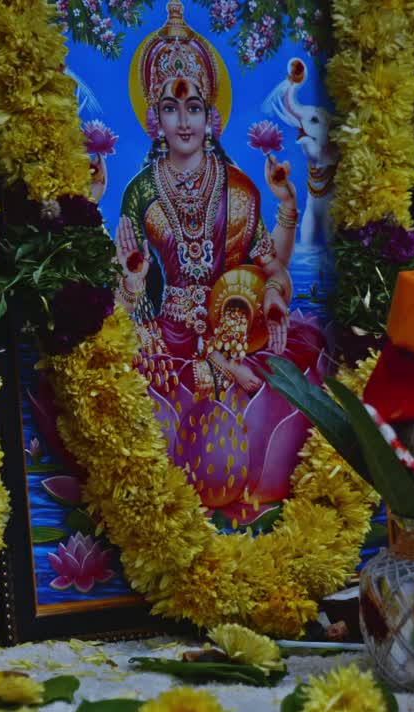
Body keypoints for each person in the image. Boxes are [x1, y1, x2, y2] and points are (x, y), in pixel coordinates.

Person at [109, 0, 326, 522]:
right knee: (123, 384)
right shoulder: (139, 195)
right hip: (169, 337)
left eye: (194, 108)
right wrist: (134, 298)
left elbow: (270, 271)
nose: (183, 120)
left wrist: (271, 301)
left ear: (214, 116)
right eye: (170, 108)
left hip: (233, 326)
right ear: (152, 119)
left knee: (299, 359)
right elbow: (125, 289)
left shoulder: (241, 193)